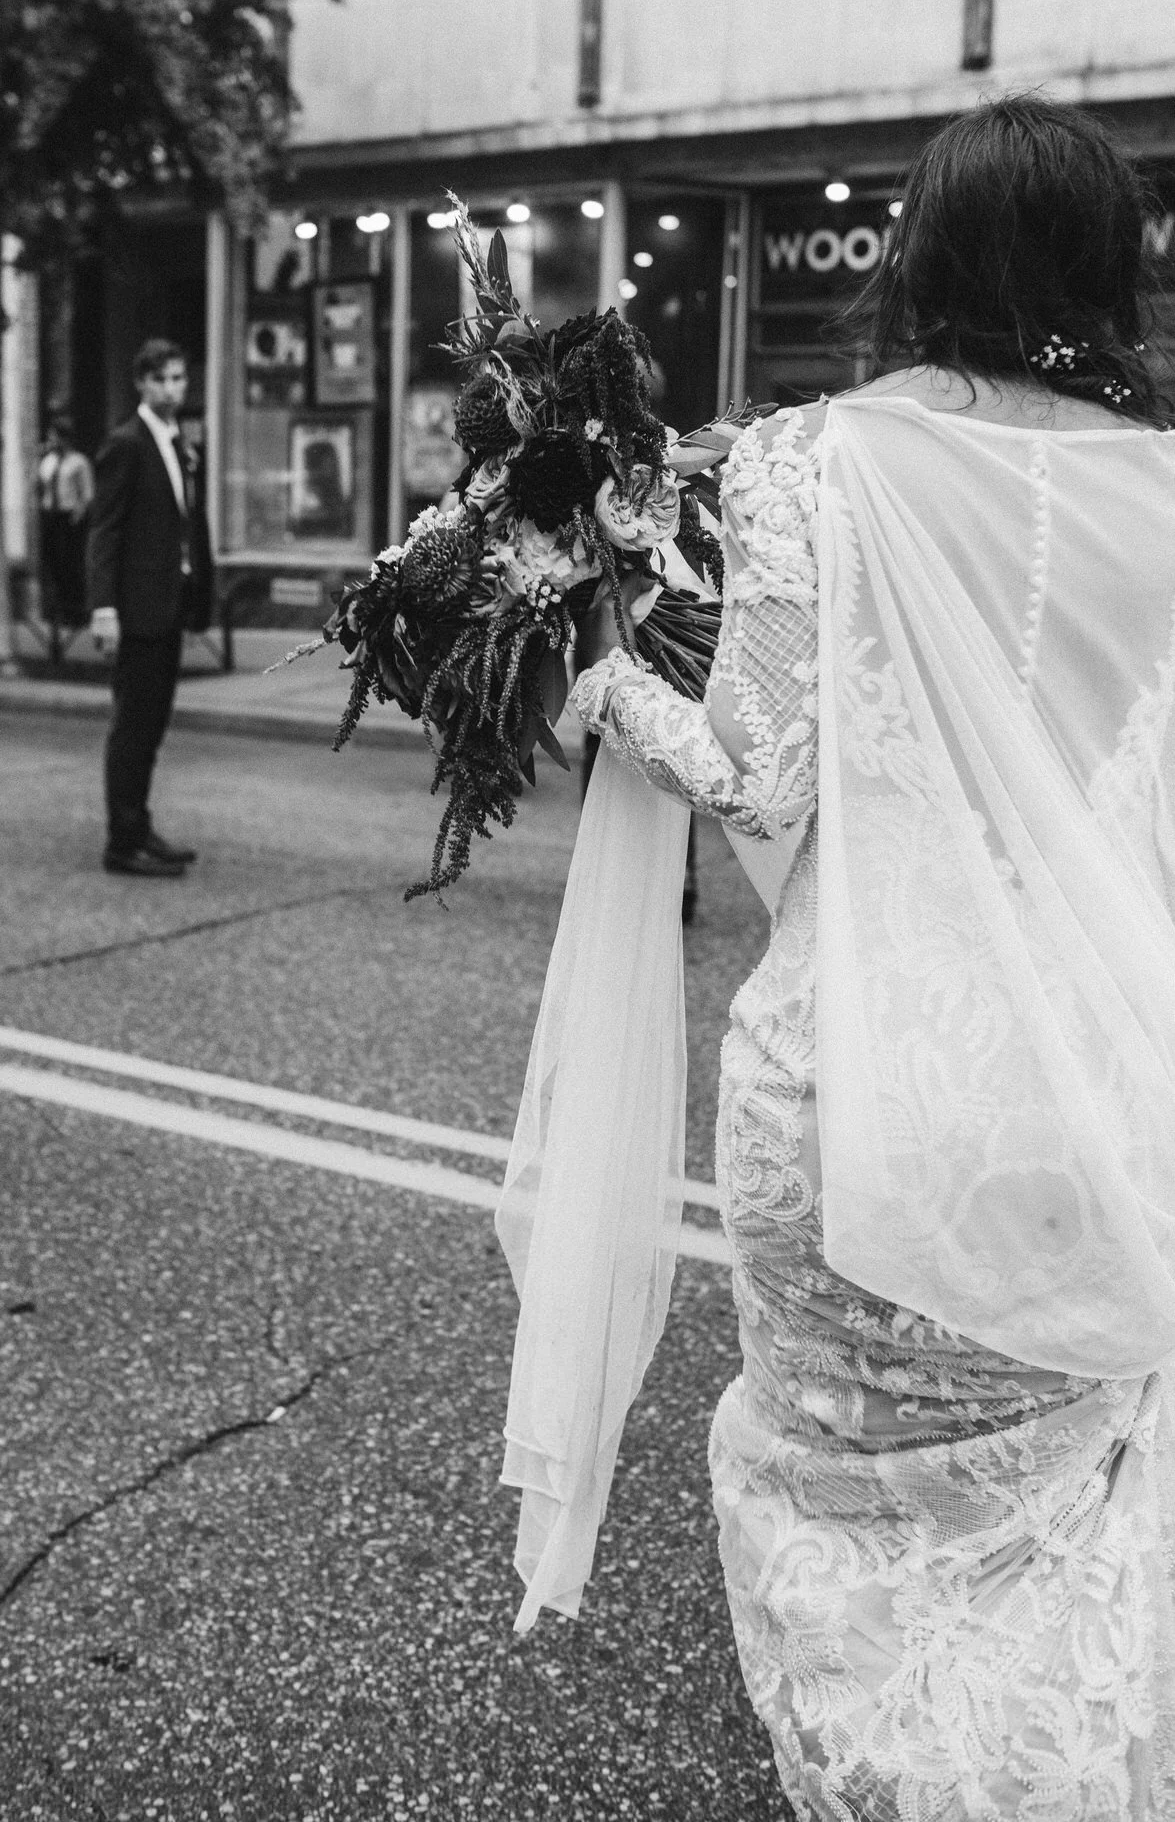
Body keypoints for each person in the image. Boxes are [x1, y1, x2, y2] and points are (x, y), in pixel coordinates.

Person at [497, 95, 1175, 1815]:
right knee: (1051, 1532)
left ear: (916, 254)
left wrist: (598, 665)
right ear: (1112, 271)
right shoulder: (1165, 492)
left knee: (850, 1525)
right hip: (1090, 1098)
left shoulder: (813, 458)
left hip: (853, 1087)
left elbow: (761, 769)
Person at [86, 338, 214, 878]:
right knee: (133, 728)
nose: (172, 389)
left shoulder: (178, 441)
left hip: (168, 606)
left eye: (179, 379)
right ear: (141, 382)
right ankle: (122, 842)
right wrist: (103, 608)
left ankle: (140, 827)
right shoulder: (126, 443)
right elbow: (105, 530)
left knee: (153, 727)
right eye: (161, 379)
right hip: (137, 609)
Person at [36, 413, 94, 626]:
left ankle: (76, 612)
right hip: (50, 516)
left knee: (71, 564)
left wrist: (78, 516)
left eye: (53, 437)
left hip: (69, 517)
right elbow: (40, 486)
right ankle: (56, 611)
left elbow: (87, 494)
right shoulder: (48, 461)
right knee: (53, 564)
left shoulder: (79, 462)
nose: (50, 441)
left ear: (64, 438)